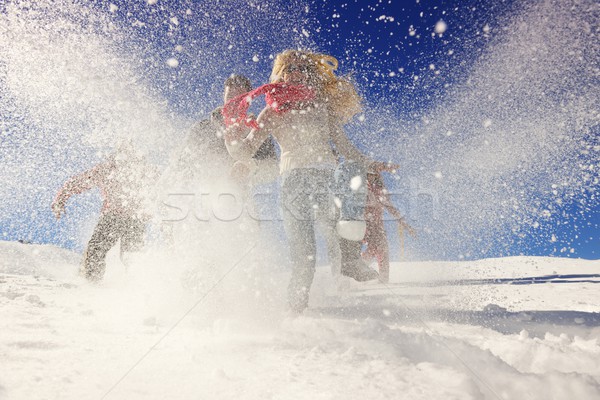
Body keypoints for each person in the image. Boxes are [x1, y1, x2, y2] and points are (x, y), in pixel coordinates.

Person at [223, 50, 393, 313]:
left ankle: (350, 262)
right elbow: (246, 150)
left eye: (301, 67)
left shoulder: (323, 108)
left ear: (311, 74)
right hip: (293, 184)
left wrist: (372, 164)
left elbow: (347, 149)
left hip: (326, 178)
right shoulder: (271, 112)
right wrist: (231, 138)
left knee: (343, 223)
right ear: (281, 75)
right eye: (288, 68)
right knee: (304, 259)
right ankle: (296, 314)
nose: (294, 72)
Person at [51, 142, 157, 282]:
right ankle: (91, 281)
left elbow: (163, 189)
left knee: (132, 256)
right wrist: (60, 199)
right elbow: (79, 182)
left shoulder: (145, 171)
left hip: (135, 219)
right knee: (97, 249)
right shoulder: (107, 169)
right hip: (114, 217)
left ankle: (138, 286)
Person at [362, 171, 416, 283]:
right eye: (370, 174)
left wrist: (406, 225)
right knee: (377, 247)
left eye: (375, 175)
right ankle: (359, 268)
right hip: (364, 225)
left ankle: (381, 278)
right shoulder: (362, 188)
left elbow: (391, 208)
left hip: (376, 226)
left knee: (380, 249)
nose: (373, 177)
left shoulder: (379, 191)